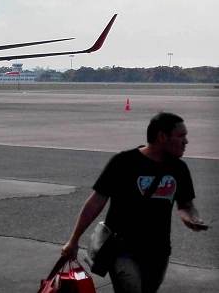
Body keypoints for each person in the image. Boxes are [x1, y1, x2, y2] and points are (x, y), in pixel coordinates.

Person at [60, 112, 208, 292]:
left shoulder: (179, 168)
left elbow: (185, 205)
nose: (186, 141)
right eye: (181, 136)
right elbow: (95, 202)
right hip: (123, 249)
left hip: (158, 250)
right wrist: (73, 240)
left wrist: (191, 218)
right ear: (162, 136)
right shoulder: (124, 162)